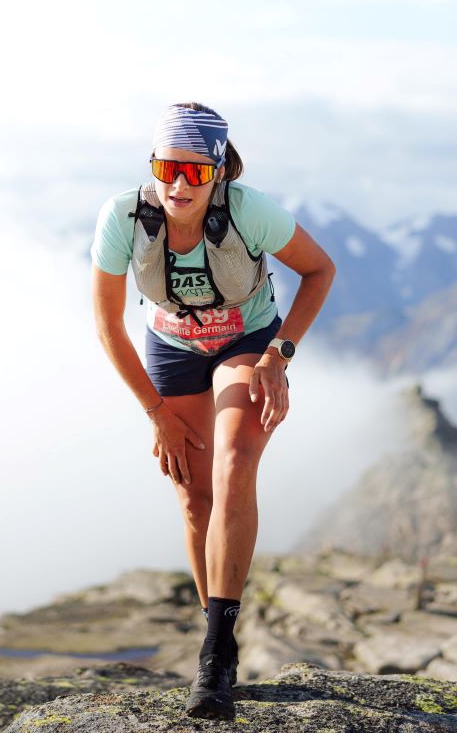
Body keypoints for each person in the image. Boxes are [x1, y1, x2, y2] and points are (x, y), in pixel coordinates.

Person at [90, 102, 336, 720]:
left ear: (218, 171)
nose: (178, 185)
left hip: (246, 342)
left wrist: (278, 355)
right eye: (168, 167)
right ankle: (217, 633)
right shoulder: (122, 217)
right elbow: (108, 325)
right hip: (170, 348)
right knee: (193, 497)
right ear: (153, 165)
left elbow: (319, 269)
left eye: (195, 172)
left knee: (235, 462)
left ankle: (216, 655)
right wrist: (156, 413)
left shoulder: (250, 210)